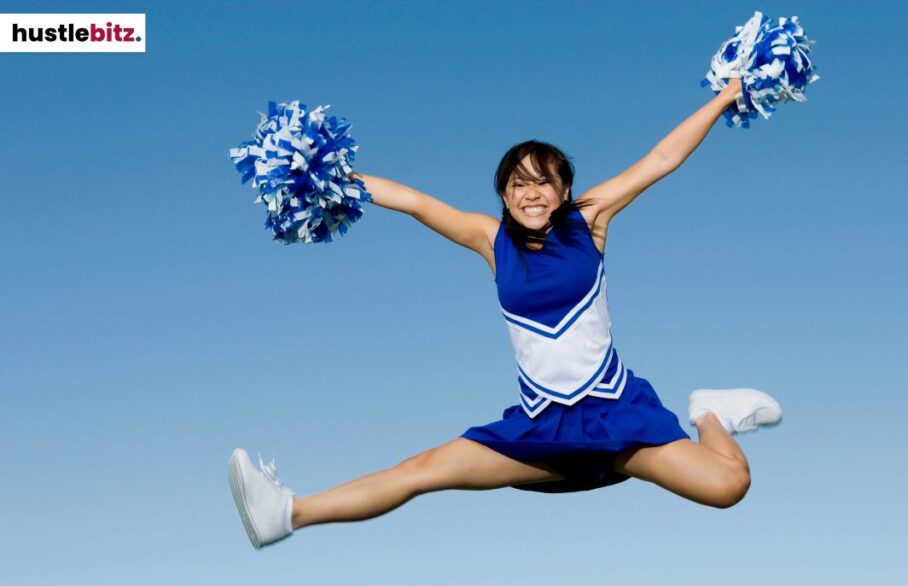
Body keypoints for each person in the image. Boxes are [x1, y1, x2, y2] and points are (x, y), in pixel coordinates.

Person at [228, 78, 782, 550]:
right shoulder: (492, 241)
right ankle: (288, 514)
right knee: (422, 471)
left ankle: (711, 413)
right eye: (519, 183)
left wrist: (725, 96)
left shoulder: (588, 222)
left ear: (564, 190)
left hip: (617, 419)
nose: (532, 192)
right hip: (541, 428)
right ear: (504, 195)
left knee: (728, 485)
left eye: (544, 181)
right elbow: (417, 202)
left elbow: (663, 158)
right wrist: (330, 177)